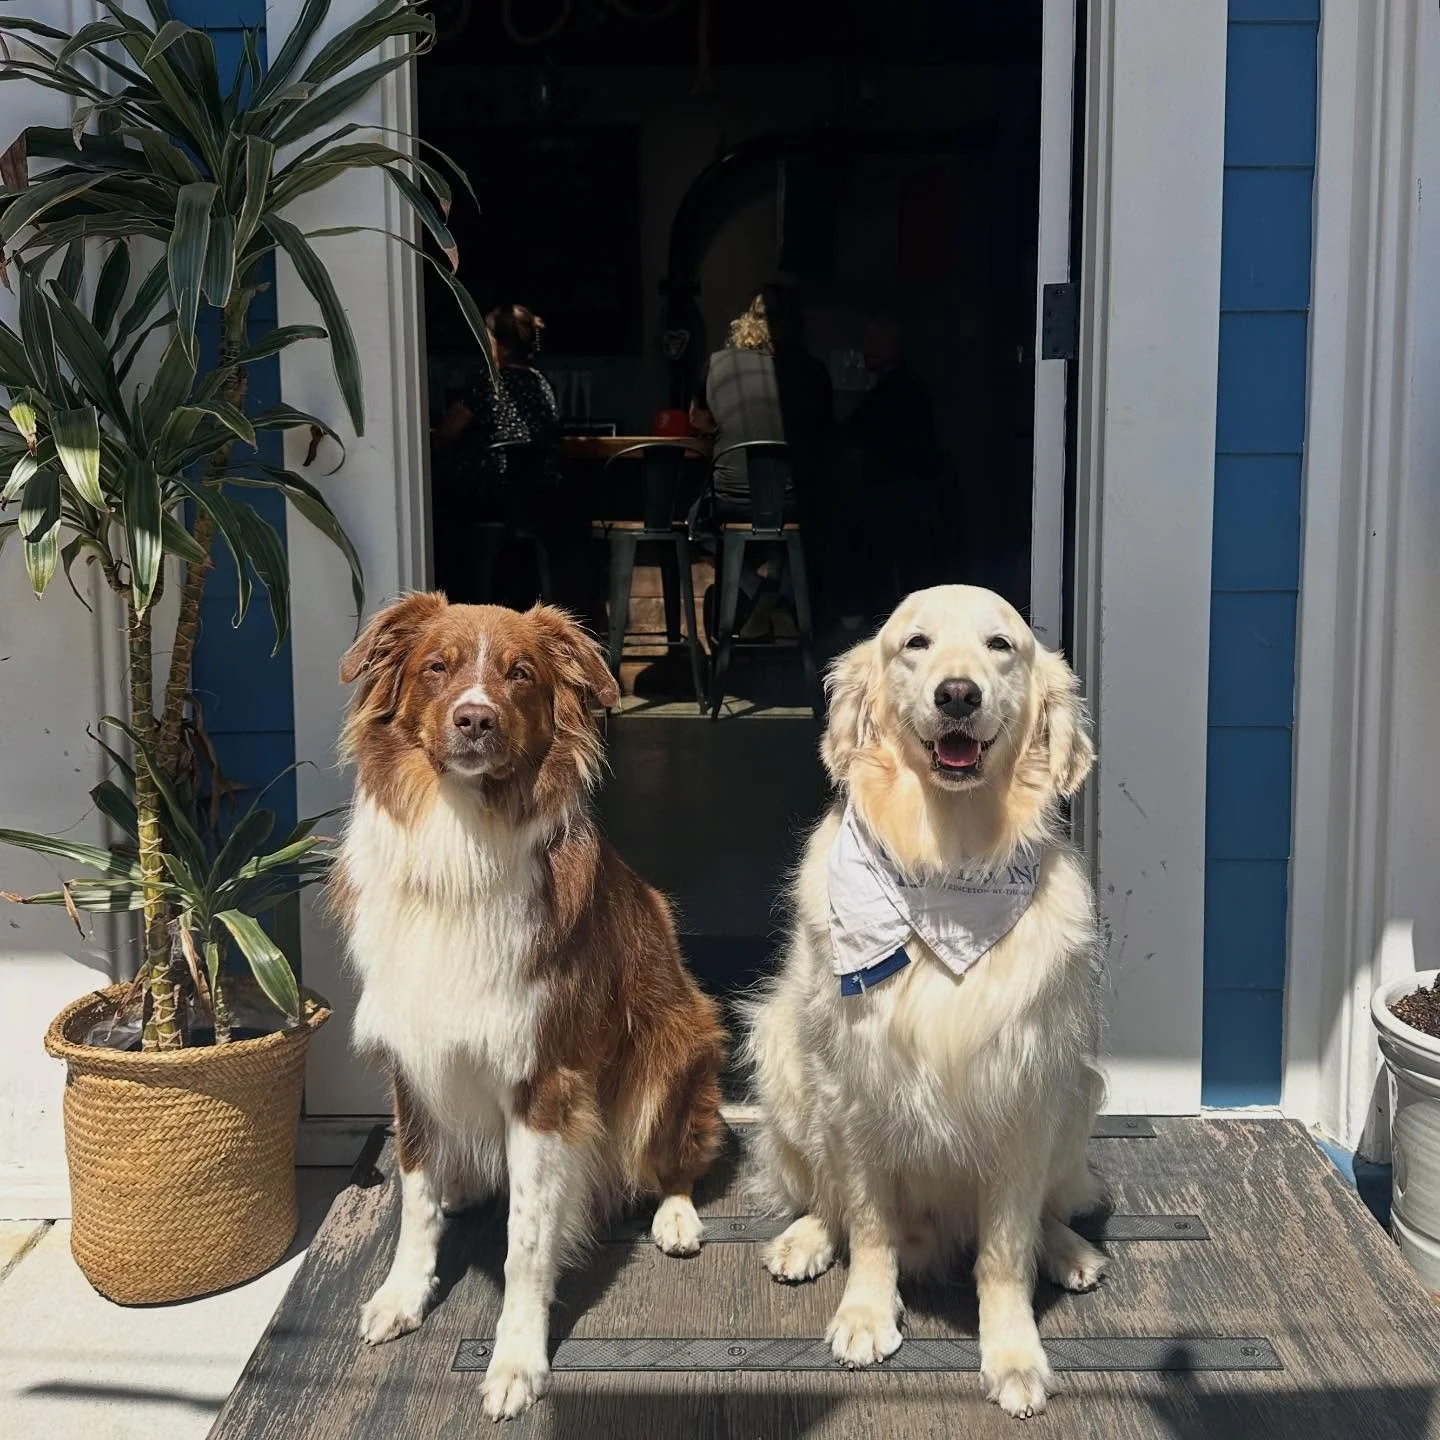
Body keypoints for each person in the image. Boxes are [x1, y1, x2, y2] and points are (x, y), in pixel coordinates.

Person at [689, 285, 834, 638]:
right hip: (794, 499)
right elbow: (824, 433)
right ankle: (780, 599)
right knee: (817, 525)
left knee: (700, 529)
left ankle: (758, 592)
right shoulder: (813, 370)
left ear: (746, 322)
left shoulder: (717, 363)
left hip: (730, 498)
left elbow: (698, 420)